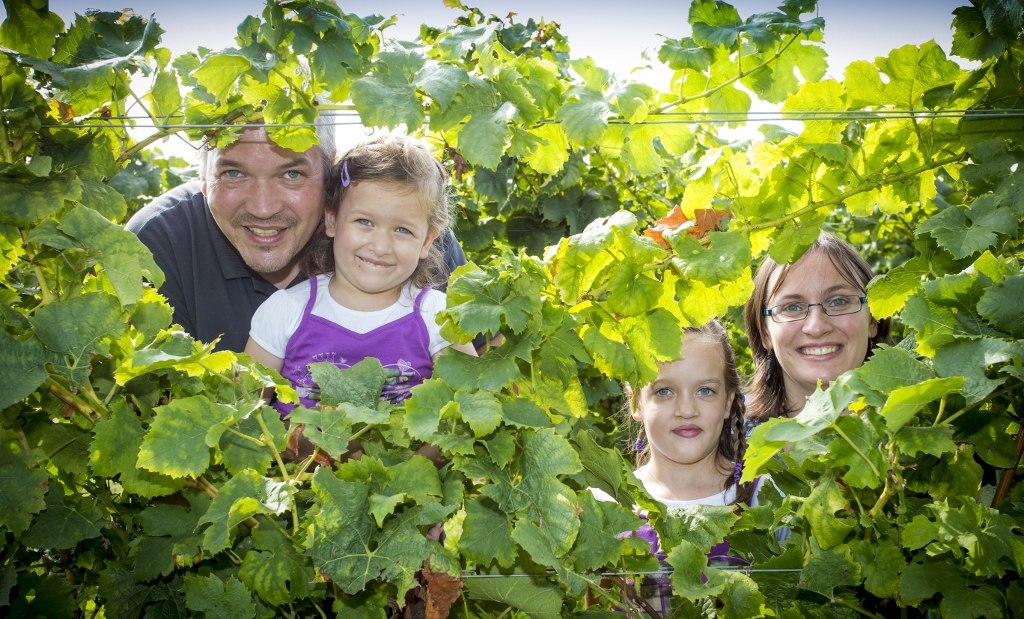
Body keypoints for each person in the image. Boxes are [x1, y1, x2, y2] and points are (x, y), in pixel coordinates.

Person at [125, 118, 468, 352]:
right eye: (233, 173)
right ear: (203, 178)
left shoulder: (413, 237)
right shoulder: (155, 243)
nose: (262, 208)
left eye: (291, 174)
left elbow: (485, 365)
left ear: (328, 169)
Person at [244, 135, 477, 416]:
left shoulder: (437, 316)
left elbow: (467, 412)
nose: (380, 246)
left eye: (402, 230)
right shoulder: (284, 311)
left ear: (427, 242)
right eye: (364, 222)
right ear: (332, 220)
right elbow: (244, 411)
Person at [595, 320, 767, 613]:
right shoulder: (608, 505)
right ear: (635, 401)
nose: (686, 409)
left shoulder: (762, 496)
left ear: (729, 402)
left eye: (705, 391)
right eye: (664, 391)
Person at [743, 231, 892, 425]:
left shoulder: (926, 423)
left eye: (838, 301)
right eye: (792, 307)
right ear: (765, 332)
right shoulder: (721, 439)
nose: (817, 327)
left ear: (873, 319)